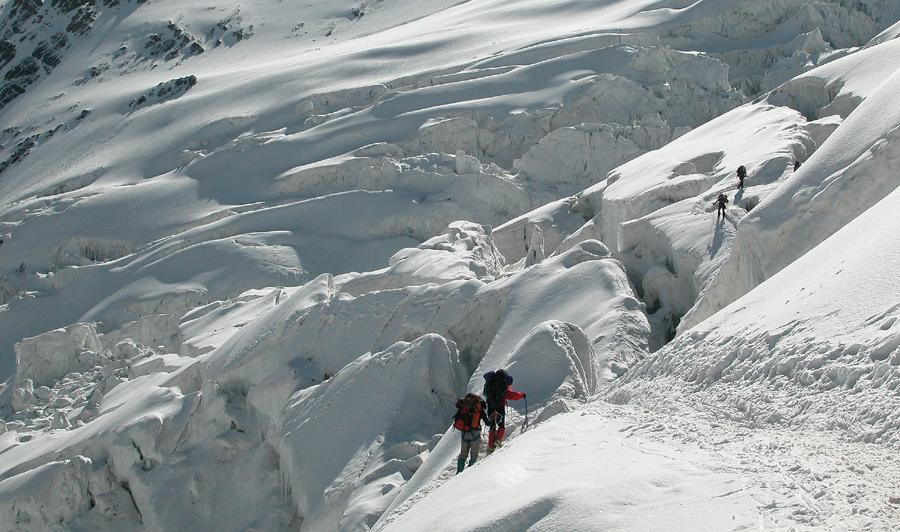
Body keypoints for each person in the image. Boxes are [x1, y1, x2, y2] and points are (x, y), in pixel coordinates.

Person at [482, 369, 525, 452]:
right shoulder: (503, 385)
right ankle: (498, 441)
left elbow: (485, 394)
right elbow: (512, 395)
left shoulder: (489, 383)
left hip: (490, 407)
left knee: (492, 425)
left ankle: (490, 446)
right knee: (501, 425)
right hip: (500, 407)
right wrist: (522, 395)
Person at [453, 393, 486, 473]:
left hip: (464, 432)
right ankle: (468, 475)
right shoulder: (479, 408)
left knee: (463, 454)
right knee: (474, 455)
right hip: (474, 433)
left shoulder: (464, 404)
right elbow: (487, 422)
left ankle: (458, 473)